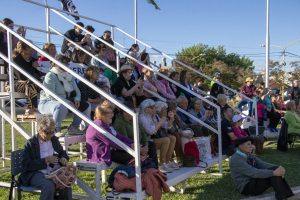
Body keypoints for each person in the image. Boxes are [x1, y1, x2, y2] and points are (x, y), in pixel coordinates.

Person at [20, 115, 72, 200]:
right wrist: (45, 161)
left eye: (53, 131)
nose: (51, 135)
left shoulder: (53, 139)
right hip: (35, 173)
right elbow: (26, 165)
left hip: (53, 171)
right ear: (39, 130)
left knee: (66, 182)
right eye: (48, 132)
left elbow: (62, 152)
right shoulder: (31, 143)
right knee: (48, 185)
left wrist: (63, 158)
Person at [38, 54, 90, 135]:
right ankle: (56, 129)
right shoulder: (50, 75)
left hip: (66, 103)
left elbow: (77, 91)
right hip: (47, 103)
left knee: (86, 105)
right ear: (55, 63)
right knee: (61, 105)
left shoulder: (70, 76)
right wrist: (67, 102)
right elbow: (51, 95)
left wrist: (77, 99)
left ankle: (74, 127)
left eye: (67, 63)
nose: (66, 65)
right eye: (64, 63)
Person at [229, 137, 294, 200]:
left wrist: (278, 168)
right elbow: (253, 173)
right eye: (248, 144)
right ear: (240, 146)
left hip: (253, 180)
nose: (251, 146)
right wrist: (273, 172)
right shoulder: (236, 159)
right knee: (273, 174)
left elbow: (262, 164)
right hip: (246, 187)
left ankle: (284, 196)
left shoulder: (247, 154)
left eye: (251, 144)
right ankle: (283, 196)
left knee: (275, 169)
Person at [113, 101, 158, 168]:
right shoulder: (119, 123)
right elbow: (125, 141)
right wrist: (140, 149)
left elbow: (143, 133)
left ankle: (154, 169)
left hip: (138, 145)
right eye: (132, 110)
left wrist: (145, 145)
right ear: (125, 112)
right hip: (128, 148)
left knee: (151, 145)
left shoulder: (133, 118)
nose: (133, 112)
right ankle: (146, 170)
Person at [139, 99, 177, 173]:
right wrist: (161, 120)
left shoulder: (153, 116)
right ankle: (162, 164)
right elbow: (150, 131)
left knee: (173, 138)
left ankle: (167, 161)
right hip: (146, 141)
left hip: (154, 139)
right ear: (146, 109)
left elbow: (167, 126)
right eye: (153, 107)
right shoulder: (142, 117)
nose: (155, 109)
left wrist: (171, 119)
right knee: (166, 140)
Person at [12, 41, 40, 114]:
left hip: (30, 83)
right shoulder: (16, 60)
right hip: (15, 83)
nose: (32, 50)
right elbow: (22, 77)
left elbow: (38, 74)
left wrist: (38, 68)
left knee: (47, 83)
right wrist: (33, 67)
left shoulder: (33, 60)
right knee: (30, 84)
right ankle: (32, 108)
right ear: (22, 49)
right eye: (29, 48)